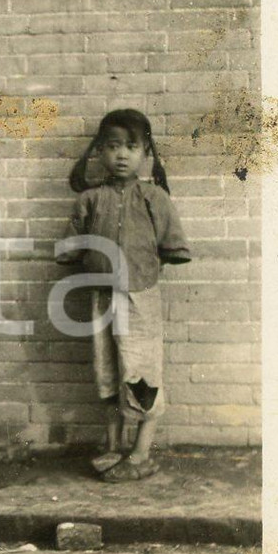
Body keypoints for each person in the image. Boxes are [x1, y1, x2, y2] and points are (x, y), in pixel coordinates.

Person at [57, 109, 191, 482]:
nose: (121, 155)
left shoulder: (154, 198)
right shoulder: (90, 200)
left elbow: (171, 248)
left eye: (131, 147)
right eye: (112, 146)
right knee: (107, 371)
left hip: (140, 297)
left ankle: (141, 453)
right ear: (98, 151)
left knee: (141, 372)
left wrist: (140, 271)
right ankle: (113, 447)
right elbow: (70, 247)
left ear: (146, 153)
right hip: (102, 297)